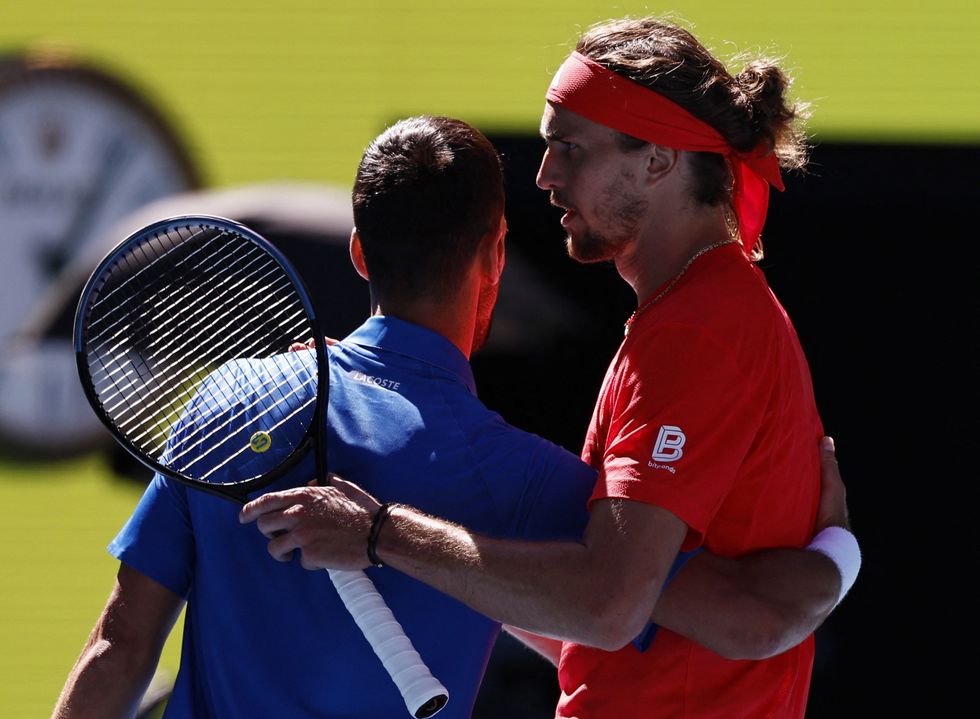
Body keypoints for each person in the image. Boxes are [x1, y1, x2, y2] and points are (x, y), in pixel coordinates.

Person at [55, 114, 848, 719]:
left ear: (361, 254)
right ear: (495, 256)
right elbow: (751, 621)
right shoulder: (525, 482)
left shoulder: (228, 402)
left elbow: (120, 647)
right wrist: (838, 550)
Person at [241, 16, 860, 719]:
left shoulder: (698, 329)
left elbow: (608, 604)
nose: (544, 177)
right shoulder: (698, 314)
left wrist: (382, 532)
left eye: (569, 148)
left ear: (657, 160)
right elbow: (607, 636)